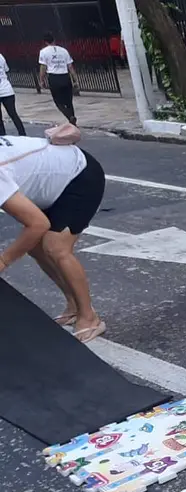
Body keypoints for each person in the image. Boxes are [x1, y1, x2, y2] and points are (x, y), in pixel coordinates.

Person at [0, 133, 107, 340]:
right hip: (55, 180)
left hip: (79, 175)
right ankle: (73, 306)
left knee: (55, 247)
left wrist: (4, 260)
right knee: (35, 247)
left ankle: (89, 317)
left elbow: (38, 224)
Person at [38, 33, 78, 125]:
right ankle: (73, 123)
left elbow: (43, 67)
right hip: (65, 76)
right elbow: (70, 67)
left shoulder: (43, 52)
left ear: (45, 42)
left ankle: (70, 117)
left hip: (54, 77)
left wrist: (41, 80)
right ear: (54, 40)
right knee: (69, 102)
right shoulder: (64, 50)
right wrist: (75, 79)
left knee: (58, 102)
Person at [0, 52, 26, 136]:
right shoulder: (0, 56)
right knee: (13, 114)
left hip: (4, 90)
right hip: (7, 90)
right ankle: (23, 134)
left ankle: (3, 135)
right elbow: (6, 69)